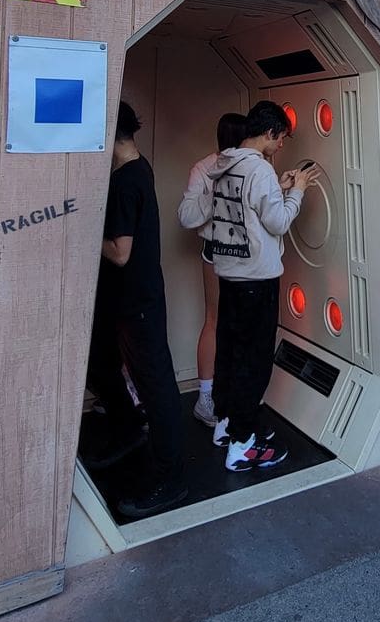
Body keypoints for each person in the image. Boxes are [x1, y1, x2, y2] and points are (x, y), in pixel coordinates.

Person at [82, 101, 186, 517]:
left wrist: (82, 231)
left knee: (156, 387)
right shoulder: (138, 168)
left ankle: (170, 477)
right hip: (126, 299)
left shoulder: (126, 181)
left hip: (136, 301)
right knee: (101, 363)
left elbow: (120, 252)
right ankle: (127, 430)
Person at [209, 101, 320, 472]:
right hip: (257, 278)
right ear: (270, 132)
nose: (282, 147)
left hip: (230, 273)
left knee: (230, 352)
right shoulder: (258, 170)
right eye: (282, 139)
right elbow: (277, 222)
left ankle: (225, 425)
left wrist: (280, 184)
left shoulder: (225, 163)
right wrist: (298, 190)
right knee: (253, 362)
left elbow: (244, 208)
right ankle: (242, 445)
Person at [177, 113, 247, 427]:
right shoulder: (204, 168)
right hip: (217, 250)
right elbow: (187, 216)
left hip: (249, 255)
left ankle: (236, 392)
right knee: (215, 320)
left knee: (242, 323)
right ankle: (205, 398)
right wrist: (217, 195)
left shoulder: (254, 166)